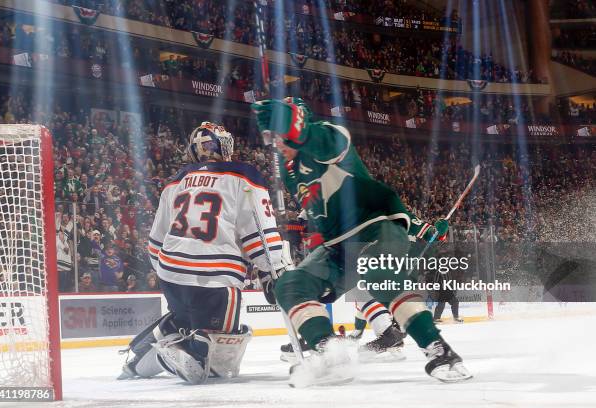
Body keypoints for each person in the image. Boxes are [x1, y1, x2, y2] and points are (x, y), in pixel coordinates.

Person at [252, 97, 471, 384]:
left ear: (297, 124)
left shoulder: (329, 137)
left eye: (281, 135)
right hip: (338, 248)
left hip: (373, 230)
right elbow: (320, 215)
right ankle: (330, 353)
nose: (277, 144)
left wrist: (422, 229)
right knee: (290, 284)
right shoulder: (289, 171)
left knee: (378, 272)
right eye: (273, 137)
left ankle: (439, 350)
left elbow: (319, 141)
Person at [118, 122, 290, 384]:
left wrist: (169, 270)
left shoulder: (175, 180)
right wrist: (273, 270)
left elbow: (155, 243)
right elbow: (261, 235)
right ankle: (178, 353)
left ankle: (143, 355)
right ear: (223, 146)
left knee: (188, 319)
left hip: (171, 272)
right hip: (215, 277)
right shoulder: (244, 175)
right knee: (217, 359)